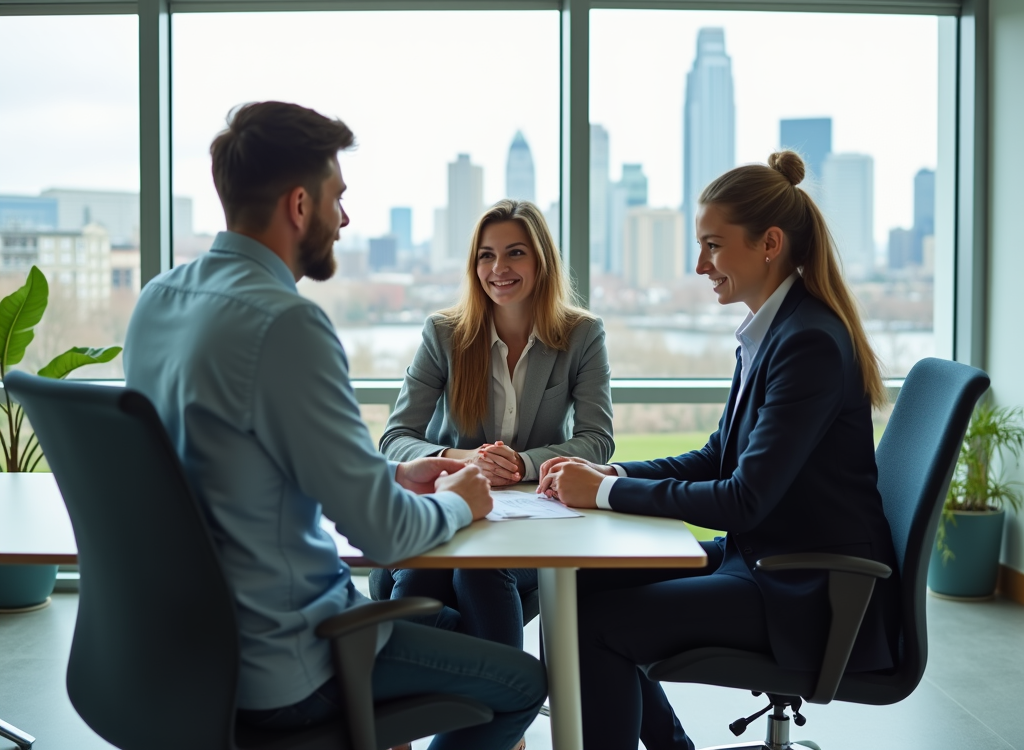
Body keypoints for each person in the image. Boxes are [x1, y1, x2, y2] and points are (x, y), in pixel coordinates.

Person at [122, 101, 546, 750]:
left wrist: (394, 472)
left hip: (184, 653)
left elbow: (239, 458)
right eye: (336, 199)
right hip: (290, 663)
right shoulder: (286, 324)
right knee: (519, 684)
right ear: (299, 206)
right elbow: (387, 534)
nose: (344, 220)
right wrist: (461, 502)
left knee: (462, 623)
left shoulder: (160, 300)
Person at [536, 151, 901, 749]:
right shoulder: (771, 332)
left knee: (596, 624)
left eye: (712, 245)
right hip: (763, 559)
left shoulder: (807, 343)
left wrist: (603, 493)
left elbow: (744, 499)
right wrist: (610, 472)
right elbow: (718, 456)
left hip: (807, 590)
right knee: (580, 586)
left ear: (769, 243)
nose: (699, 264)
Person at [373, 199, 614, 650]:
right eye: (487, 255)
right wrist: (463, 461)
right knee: (419, 582)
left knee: (476, 572)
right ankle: (443, 699)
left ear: (541, 260)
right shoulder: (444, 334)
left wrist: (520, 464)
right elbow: (395, 439)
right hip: (452, 508)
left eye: (515, 252)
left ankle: (506, 700)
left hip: (534, 519)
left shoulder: (582, 334)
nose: (498, 267)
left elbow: (597, 440)